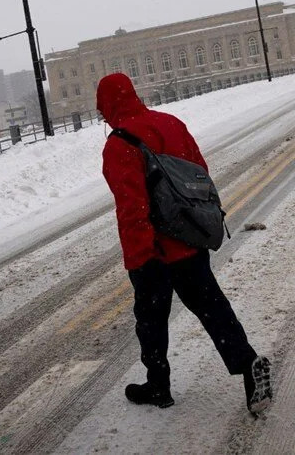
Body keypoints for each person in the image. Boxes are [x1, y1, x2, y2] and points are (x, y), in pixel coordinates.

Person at [96, 72, 272, 415]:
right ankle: (247, 363)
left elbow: (132, 209)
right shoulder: (171, 123)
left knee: (151, 317)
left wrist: (140, 259)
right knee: (212, 306)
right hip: (189, 241)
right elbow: (199, 173)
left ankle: (158, 385)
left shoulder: (120, 143)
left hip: (154, 251)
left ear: (108, 104)